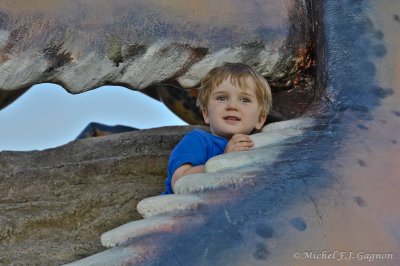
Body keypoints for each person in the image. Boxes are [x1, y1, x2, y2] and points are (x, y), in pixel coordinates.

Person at [163, 62, 272, 194]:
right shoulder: (198, 140)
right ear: (206, 113)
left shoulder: (259, 147)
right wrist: (224, 161)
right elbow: (180, 181)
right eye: (221, 98)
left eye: (245, 100)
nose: (232, 105)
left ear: (260, 119)